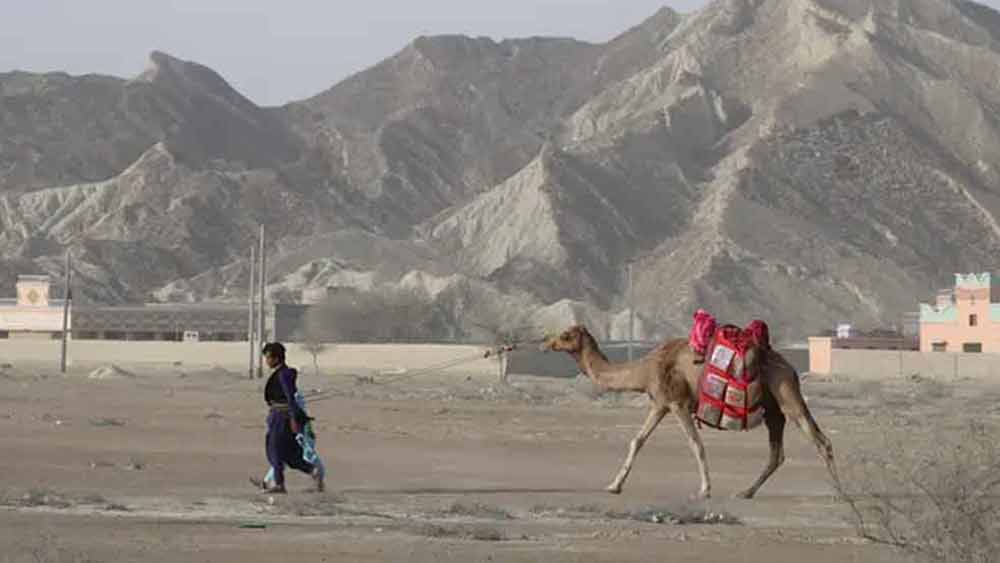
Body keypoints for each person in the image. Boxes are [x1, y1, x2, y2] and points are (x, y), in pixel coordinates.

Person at [251, 342, 325, 494]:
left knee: (275, 450)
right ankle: (313, 471)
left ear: (277, 358)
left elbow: (290, 397)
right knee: (290, 455)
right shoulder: (283, 373)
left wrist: (292, 418)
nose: (267, 362)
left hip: (282, 418)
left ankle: (279, 484)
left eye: (268, 358)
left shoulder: (284, 374)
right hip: (281, 417)